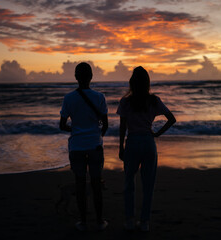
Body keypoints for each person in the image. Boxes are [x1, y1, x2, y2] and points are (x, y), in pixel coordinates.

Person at [117, 66, 176, 232]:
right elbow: (171, 119)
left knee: (129, 182)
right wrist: (157, 133)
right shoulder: (153, 100)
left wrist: (121, 147)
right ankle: (144, 223)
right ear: (147, 83)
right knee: (148, 185)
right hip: (149, 143)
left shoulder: (125, 101)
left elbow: (122, 127)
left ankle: (129, 220)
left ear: (132, 82)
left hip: (133, 142)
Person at [59, 62, 108, 231]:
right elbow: (106, 125)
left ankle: (83, 222)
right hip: (95, 145)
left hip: (76, 146)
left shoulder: (68, 98)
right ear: (91, 77)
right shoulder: (100, 97)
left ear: (75, 77)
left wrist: (77, 130)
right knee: (96, 184)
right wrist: (96, 135)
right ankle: (100, 221)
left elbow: (62, 125)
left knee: (80, 184)